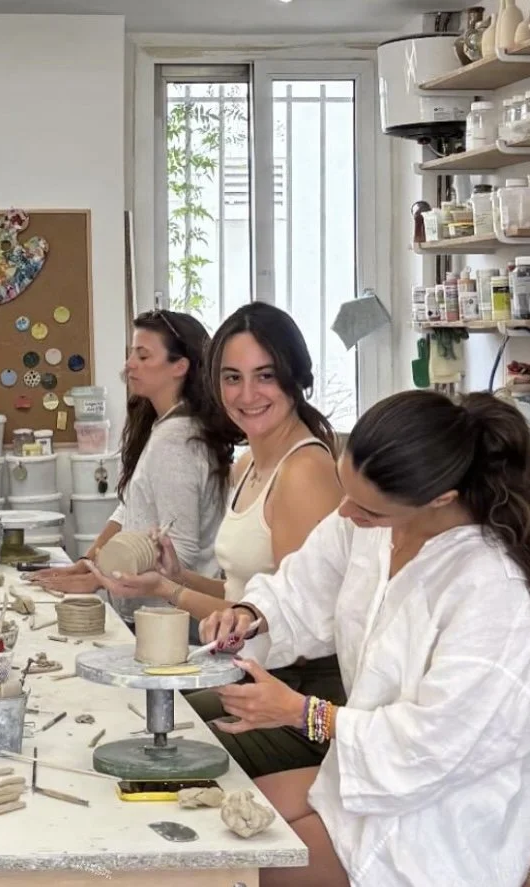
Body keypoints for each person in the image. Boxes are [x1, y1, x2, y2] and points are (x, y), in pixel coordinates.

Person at [199, 390, 530, 887]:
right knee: (210, 833)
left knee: (230, 872)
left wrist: (300, 712)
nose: (345, 514)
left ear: (441, 498)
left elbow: (431, 746)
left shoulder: (489, 591)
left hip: (440, 821)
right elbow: (303, 585)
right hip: (364, 776)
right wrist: (251, 613)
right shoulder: (371, 523)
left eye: (369, 510)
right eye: (345, 492)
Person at [89, 303, 345, 777]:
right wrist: (170, 582)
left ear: (296, 377)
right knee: (132, 727)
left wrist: (177, 593)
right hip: (251, 676)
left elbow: (295, 621)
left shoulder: (303, 472)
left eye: (265, 376)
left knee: (156, 764)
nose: (247, 394)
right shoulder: (248, 466)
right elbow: (242, 599)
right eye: (232, 378)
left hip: (297, 697)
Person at [30, 308, 232, 626]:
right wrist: (90, 560)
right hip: (153, 615)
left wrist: (101, 577)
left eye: (143, 356)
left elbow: (180, 551)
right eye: (131, 354)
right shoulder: (164, 426)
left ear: (180, 366)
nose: (129, 365)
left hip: (170, 624)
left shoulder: (176, 441)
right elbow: (129, 512)